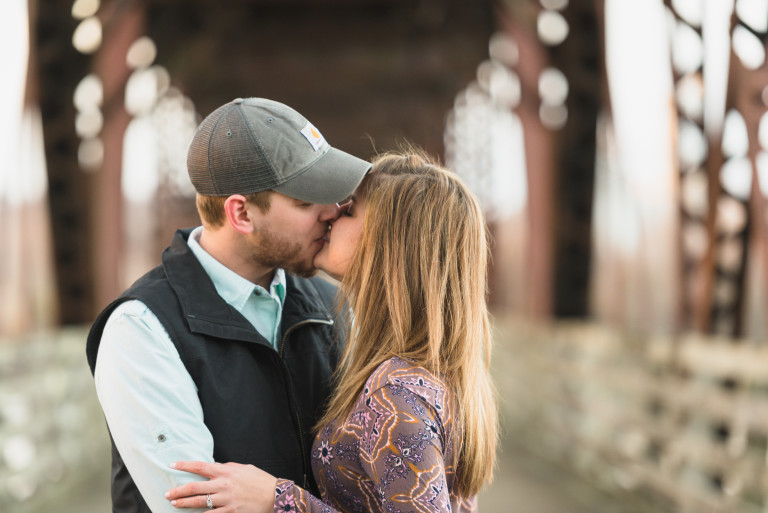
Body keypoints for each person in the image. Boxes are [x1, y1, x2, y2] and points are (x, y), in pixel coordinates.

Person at [164, 150, 499, 513]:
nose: (332, 213)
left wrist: (279, 500)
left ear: (386, 245)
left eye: (351, 210)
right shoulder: (426, 373)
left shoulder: (397, 393)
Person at [85, 97, 371, 513]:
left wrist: (278, 502)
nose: (332, 212)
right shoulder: (141, 329)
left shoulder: (337, 307)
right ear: (241, 214)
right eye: (307, 202)